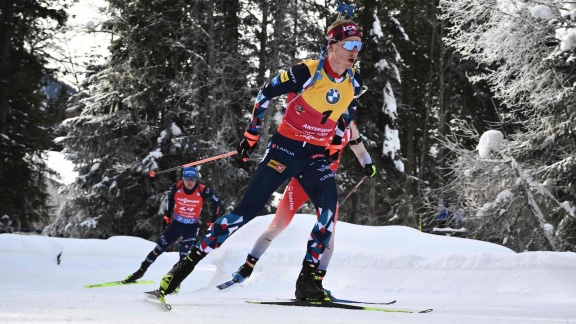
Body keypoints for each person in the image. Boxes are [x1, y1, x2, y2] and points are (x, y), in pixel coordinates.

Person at [154, 18, 364, 302]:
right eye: (350, 44)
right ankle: (182, 269)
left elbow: (346, 112)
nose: (355, 51)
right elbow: (265, 93)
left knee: (328, 215)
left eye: (359, 45)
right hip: (285, 150)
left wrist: (336, 138)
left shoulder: (354, 82)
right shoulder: (307, 72)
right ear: (332, 45)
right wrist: (250, 136)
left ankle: (308, 283)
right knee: (244, 213)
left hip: (314, 156)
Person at [230, 121, 376, 296]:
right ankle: (247, 267)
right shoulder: (321, 115)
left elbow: (360, 151)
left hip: (325, 187)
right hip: (301, 180)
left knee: (329, 233)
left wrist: (367, 163)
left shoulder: (350, 126)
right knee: (278, 225)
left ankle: (316, 283)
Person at [122, 166, 221, 283]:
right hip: (176, 225)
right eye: (187, 179)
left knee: (183, 256)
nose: (190, 182)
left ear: (196, 180)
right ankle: (140, 272)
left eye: (193, 179)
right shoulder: (177, 187)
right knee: (158, 249)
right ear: (183, 179)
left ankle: (175, 283)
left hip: (191, 227)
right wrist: (167, 216)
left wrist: (213, 220)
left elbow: (217, 202)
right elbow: (170, 199)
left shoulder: (202, 190)